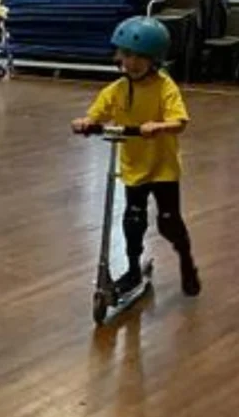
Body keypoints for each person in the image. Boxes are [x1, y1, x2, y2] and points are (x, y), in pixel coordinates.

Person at [72, 16, 201, 297]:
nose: (131, 63)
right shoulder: (116, 90)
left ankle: (186, 261)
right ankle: (132, 268)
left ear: (154, 60)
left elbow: (180, 121)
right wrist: (85, 122)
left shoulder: (165, 87)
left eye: (140, 57)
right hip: (133, 167)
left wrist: (160, 126)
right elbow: (96, 113)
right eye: (126, 54)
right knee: (133, 220)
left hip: (163, 168)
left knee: (168, 221)